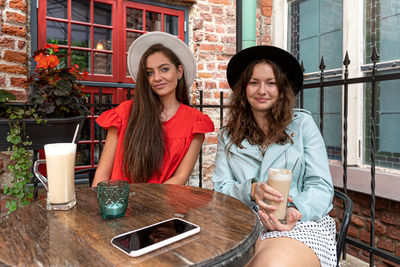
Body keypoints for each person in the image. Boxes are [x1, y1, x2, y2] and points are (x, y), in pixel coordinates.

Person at [212, 45, 336, 267]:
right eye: (253, 82)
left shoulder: (302, 125)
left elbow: (321, 186)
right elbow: (220, 189)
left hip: (300, 224)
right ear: (244, 88)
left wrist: (296, 210)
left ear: (281, 88)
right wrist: (250, 190)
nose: (262, 90)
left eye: (270, 83)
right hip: (243, 224)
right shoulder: (227, 136)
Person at [92, 32, 214, 187]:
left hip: (163, 206)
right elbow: (102, 174)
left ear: (179, 71)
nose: (157, 77)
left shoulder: (195, 121)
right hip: (118, 205)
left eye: (164, 69)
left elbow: (180, 179)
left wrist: (148, 207)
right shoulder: (124, 112)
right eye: (150, 73)